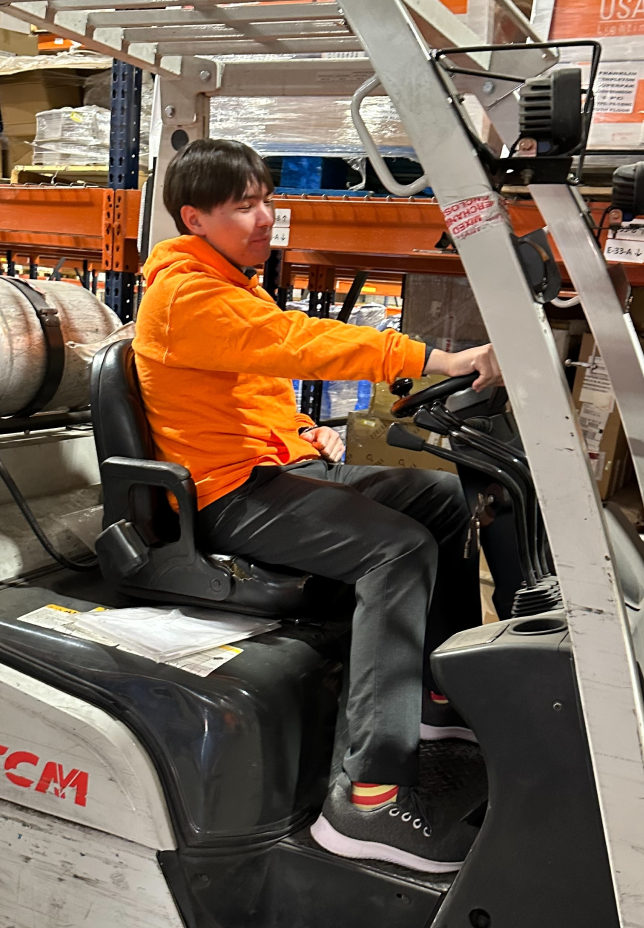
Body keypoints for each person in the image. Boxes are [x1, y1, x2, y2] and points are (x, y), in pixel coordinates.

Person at [133, 139, 503, 874]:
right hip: (224, 494)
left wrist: (305, 432)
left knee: (437, 497)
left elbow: (254, 384)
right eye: (244, 205)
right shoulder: (184, 293)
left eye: (265, 198)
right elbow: (296, 345)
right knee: (396, 550)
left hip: (274, 466)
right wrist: (428, 358)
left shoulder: (228, 281)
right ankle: (365, 799)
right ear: (194, 217)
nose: (265, 216)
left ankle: (433, 698)